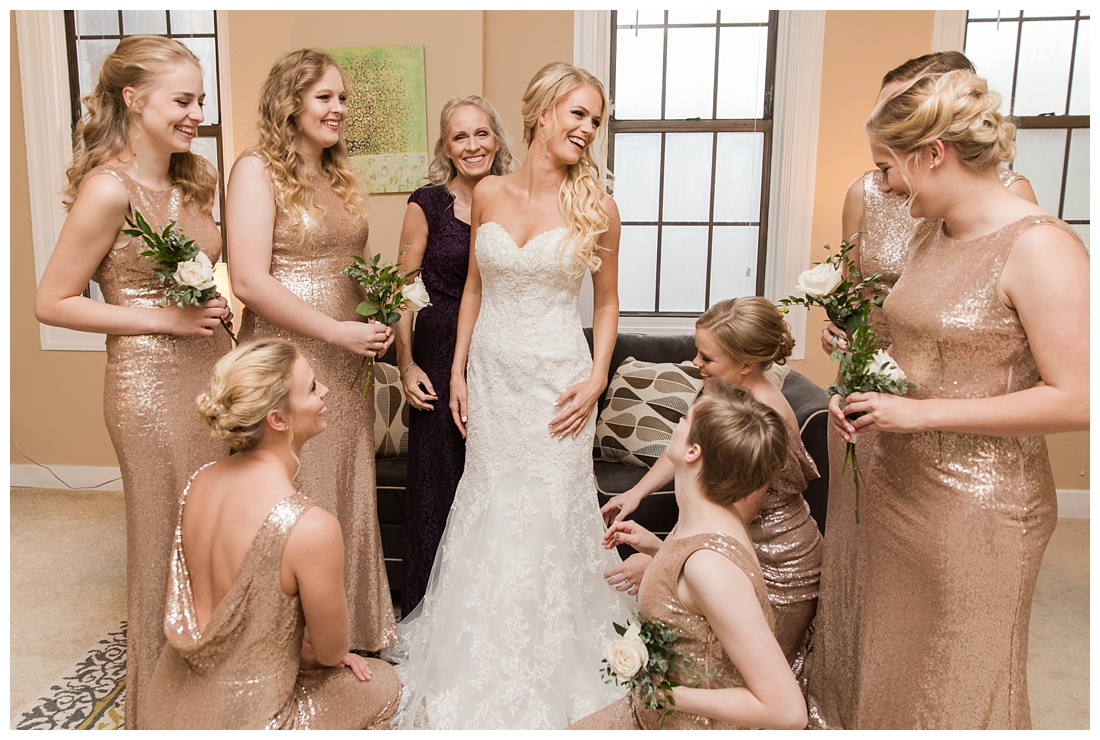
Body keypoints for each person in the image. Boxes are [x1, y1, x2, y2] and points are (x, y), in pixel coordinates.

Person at [810, 68, 1089, 729]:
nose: (885, 187)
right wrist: (860, 365)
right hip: (899, 483)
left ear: (934, 153)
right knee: (891, 665)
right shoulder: (928, 233)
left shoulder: (1041, 247)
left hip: (977, 509)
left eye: (889, 167)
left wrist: (921, 413)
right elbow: (925, 344)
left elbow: (1080, 398)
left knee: (955, 679)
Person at [391, 62, 633, 729]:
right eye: (577, 113)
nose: (587, 129)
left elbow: (608, 303)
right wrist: (460, 369)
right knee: (489, 501)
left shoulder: (598, 206)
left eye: (595, 120)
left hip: (559, 377)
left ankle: (555, 651)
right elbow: (472, 288)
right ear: (541, 112)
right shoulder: (490, 193)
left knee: (553, 508)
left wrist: (599, 376)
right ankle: (479, 647)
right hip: (493, 377)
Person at [33, 35, 232, 728]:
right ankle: (160, 704)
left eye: (200, 100)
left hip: (214, 376)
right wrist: (167, 325)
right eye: (183, 100)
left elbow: (203, 268)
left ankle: (218, 677)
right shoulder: (108, 188)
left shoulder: (196, 177)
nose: (196, 113)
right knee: (165, 537)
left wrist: (216, 311)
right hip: (149, 387)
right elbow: (52, 300)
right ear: (132, 98)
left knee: (218, 530)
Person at [226, 49, 396, 652]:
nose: (339, 109)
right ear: (289, 101)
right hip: (290, 357)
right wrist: (334, 331)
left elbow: (348, 267)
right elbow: (248, 280)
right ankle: (280, 641)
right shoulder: (255, 169)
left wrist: (377, 314)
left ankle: (345, 631)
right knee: (295, 486)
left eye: (343, 98)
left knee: (346, 482)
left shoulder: (336, 174)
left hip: (348, 360)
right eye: (325, 97)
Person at [144, 339, 402, 729]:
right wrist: (313, 656)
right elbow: (331, 652)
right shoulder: (310, 526)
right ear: (278, 420)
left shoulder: (198, 482)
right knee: (383, 684)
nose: (326, 391)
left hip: (167, 706)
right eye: (313, 387)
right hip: (248, 719)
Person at [600, 297, 823, 676]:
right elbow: (683, 445)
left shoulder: (761, 419)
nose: (695, 364)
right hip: (733, 542)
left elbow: (730, 525)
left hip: (774, 559)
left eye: (707, 358)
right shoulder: (724, 386)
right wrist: (636, 493)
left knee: (743, 673)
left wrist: (658, 562)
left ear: (746, 363)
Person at [570, 381, 807, 730]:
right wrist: (656, 549)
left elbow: (787, 711)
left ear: (694, 451)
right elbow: (695, 603)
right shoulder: (708, 514)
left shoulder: (710, 566)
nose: (676, 425)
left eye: (683, 419)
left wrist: (666, 693)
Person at [392, 95, 516, 615]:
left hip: (505, 349)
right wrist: (407, 364)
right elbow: (400, 288)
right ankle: (430, 611)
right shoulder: (426, 203)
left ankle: (491, 612)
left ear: (497, 138)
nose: (472, 145)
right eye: (460, 136)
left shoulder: (515, 197)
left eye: (481, 133)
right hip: (440, 353)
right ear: (446, 146)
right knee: (438, 483)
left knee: (496, 481)